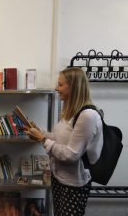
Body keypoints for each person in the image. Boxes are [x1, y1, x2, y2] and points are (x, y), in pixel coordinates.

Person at [24, 67, 103, 216]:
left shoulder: (88, 116)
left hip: (73, 184)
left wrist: (42, 139)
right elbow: (59, 138)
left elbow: (71, 154)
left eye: (60, 85)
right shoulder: (70, 111)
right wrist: (40, 132)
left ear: (73, 87)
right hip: (58, 178)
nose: (56, 88)